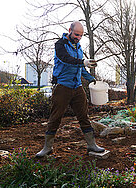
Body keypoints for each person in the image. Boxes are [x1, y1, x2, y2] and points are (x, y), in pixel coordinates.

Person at [36, 21, 105, 157]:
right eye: (76, 34)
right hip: (63, 86)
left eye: (81, 35)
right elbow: (65, 59)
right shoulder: (60, 45)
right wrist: (82, 62)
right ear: (70, 30)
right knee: (55, 117)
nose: (78, 37)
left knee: (84, 116)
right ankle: (47, 147)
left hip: (77, 87)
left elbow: (81, 67)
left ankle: (92, 145)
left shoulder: (78, 47)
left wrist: (91, 79)